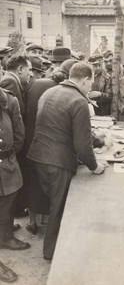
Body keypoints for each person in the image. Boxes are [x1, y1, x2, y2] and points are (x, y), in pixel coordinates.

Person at [27, 62, 105, 260]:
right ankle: (52, 253)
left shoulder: (50, 92)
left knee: (53, 201)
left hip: (38, 156)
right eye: (91, 84)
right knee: (59, 206)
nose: (90, 88)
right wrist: (95, 166)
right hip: (58, 161)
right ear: (85, 79)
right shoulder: (79, 101)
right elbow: (82, 145)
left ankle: (53, 248)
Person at [24, 59, 77, 235]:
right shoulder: (60, 91)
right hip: (47, 141)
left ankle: (32, 220)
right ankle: (48, 220)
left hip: (29, 138)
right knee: (50, 184)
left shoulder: (37, 83)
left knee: (32, 180)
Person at [0, 87, 29, 283]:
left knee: (7, 204)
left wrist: (7, 156)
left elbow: (18, 134)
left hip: (7, 164)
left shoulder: (7, 99)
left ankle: (5, 237)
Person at [0, 54, 33, 118]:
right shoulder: (10, 81)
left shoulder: (12, 80)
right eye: (29, 70)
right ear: (20, 69)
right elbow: (6, 115)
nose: (31, 74)